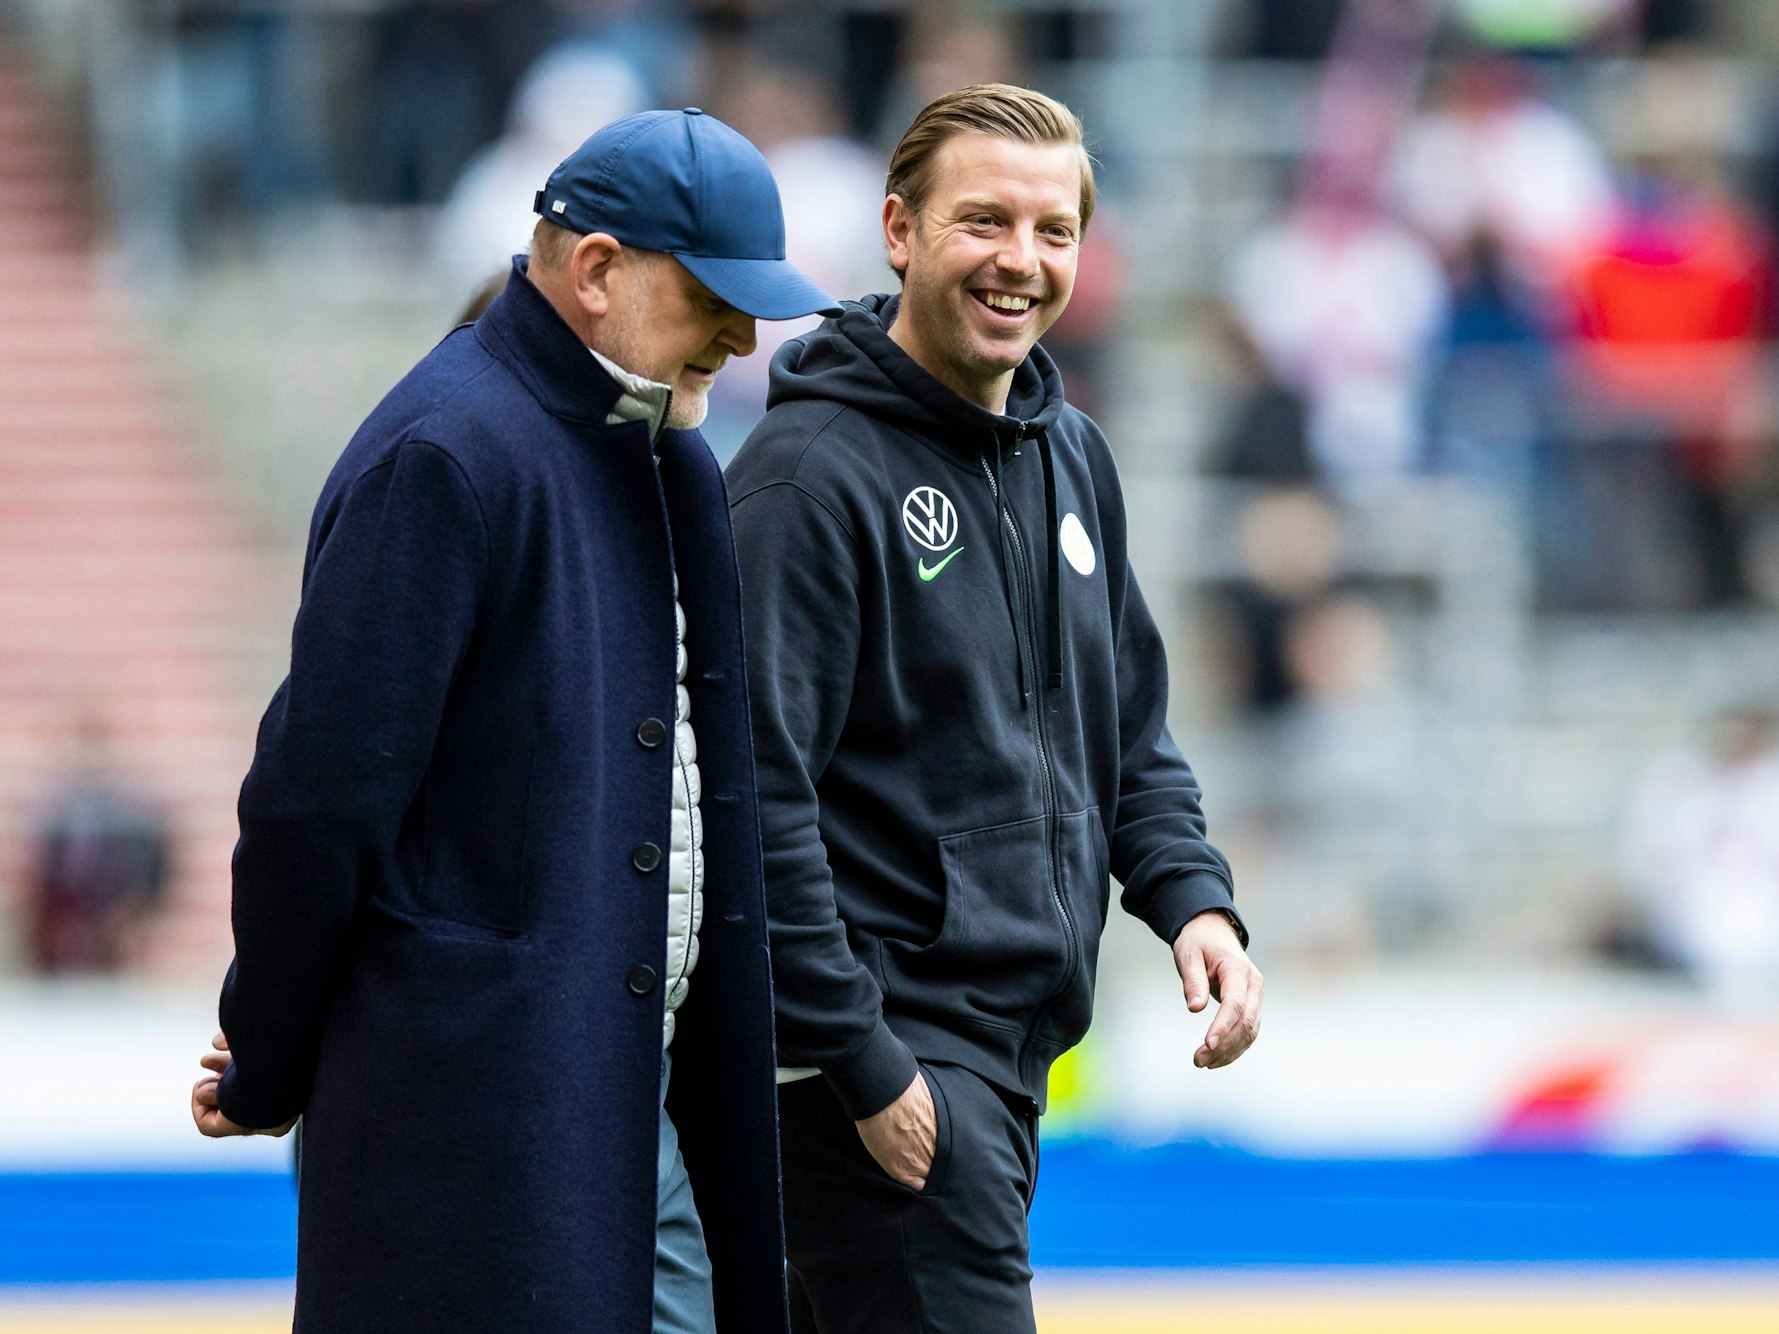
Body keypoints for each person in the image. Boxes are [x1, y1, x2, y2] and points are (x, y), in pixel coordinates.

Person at [188, 107, 840, 1334]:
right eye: (715, 298)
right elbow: (315, 804)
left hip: (641, 1102)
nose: (747, 337)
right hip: (479, 1133)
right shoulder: (445, 452)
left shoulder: (669, 453)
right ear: (595, 271)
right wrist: (267, 1047)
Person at [725, 85, 1264, 1332]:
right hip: (889, 1068)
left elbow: (1127, 726)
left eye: (1054, 229)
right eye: (984, 223)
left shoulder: (1071, 452)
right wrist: (862, 1062)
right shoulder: (807, 480)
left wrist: (1193, 898)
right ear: (901, 232)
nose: (1021, 261)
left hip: (997, 1062)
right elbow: (758, 792)